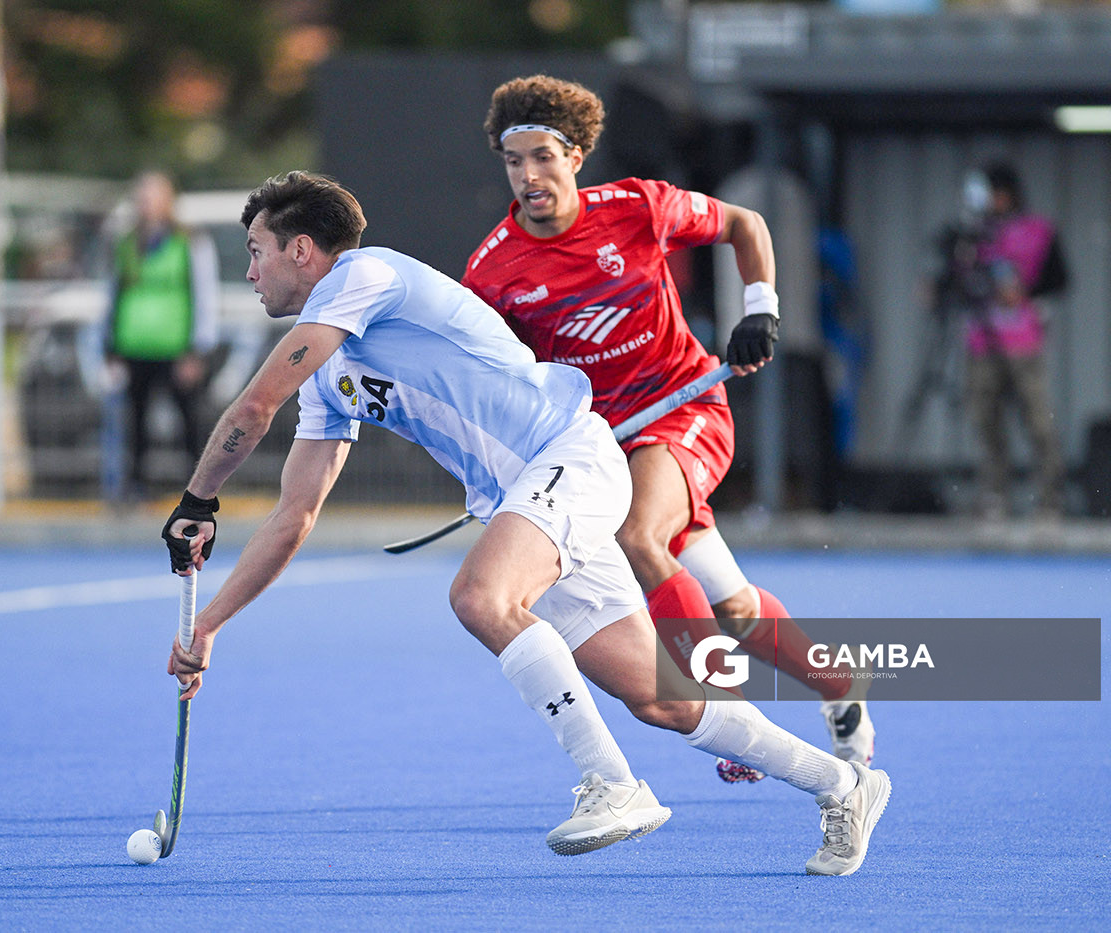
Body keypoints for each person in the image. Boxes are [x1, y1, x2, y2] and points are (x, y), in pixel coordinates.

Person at [161, 171, 890, 874]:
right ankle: (845, 786)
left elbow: (253, 408)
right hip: (531, 496)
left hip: (569, 456)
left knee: (481, 596)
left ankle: (614, 784)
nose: (250, 272)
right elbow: (296, 514)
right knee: (665, 698)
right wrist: (211, 625)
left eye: (255, 251)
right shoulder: (326, 376)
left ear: (300, 249)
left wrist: (197, 499)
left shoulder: (365, 275)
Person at [461, 75, 873, 780]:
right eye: (513, 161)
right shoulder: (491, 271)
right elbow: (499, 386)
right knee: (735, 607)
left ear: (577, 155)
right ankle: (840, 686)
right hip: (598, 450)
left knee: (640, 538)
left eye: (543, 157)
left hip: (685, 410)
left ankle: (728, 704)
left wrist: (760, 309)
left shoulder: (637, 206)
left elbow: (747, 225)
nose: (529, 176)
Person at [956, 162, 1065, 520]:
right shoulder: (973, 235)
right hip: (982, 342)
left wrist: (1024, 293)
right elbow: (956, 282)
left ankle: (1049, 498)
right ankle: (994, 496)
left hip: (1023, 341)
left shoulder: (1037, 230)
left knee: (1038, 421)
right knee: (985, 420)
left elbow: (1060, 279)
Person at [105, 170, 220, 498]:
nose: (146, 204)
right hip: (134, 345)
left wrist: (198, 349)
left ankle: (200, 491)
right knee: (134, 424)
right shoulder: (126, 242)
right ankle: (133, 488)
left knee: (191, 424)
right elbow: (114, 294)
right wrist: (110, 347)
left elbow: (203, 295)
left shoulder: (190, 241)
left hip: (176, 346)